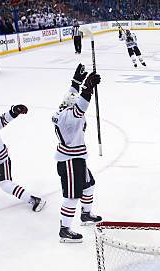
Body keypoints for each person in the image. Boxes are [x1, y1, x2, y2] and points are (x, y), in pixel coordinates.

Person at [52, 64, 102, 243]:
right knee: (72, 197)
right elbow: (81, 106)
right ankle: (64, 230)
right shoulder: (70, 117)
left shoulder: (63, 109)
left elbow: (72, 98)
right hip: (70, 162)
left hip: (77, 159)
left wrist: (77, 81)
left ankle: (86, 215)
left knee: (89, 186)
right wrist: (88, 89)